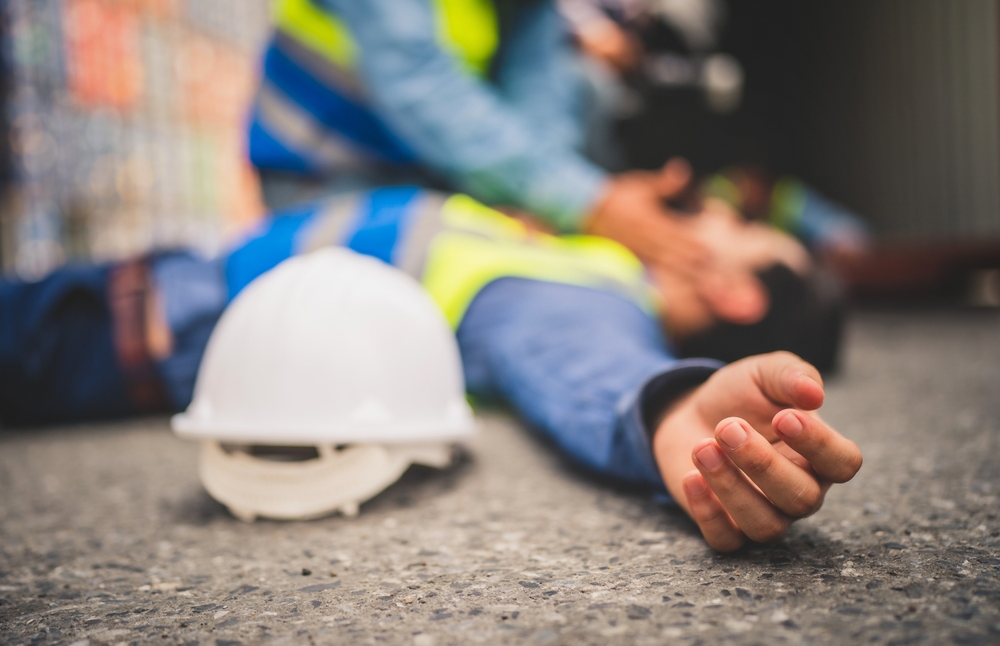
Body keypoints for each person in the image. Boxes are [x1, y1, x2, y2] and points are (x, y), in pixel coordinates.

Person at [0, 186, 860, 552]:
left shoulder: (592, 293)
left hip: (142, 326)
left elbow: (577, 360)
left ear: (736, 291)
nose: (708, 208)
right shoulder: (584, 251)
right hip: (163, 285)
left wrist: (668, 407)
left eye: (733, 224)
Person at [249, 0, 709, 279]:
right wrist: (587, 201)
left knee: (583, 86)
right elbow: (419, 81)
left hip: (431, 172)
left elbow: (539, 83)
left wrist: (547, 205)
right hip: (322, 179)